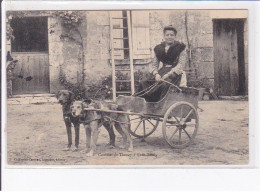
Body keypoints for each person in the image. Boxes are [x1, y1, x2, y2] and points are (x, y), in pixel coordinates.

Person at [137, 25, 187, 102]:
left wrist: (169, 74)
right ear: (164, 36)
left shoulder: (180, 48)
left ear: (175, 36)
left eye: (172, 35)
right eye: (167, 35)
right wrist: (156, 74)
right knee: (144, 83)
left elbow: (181, 64)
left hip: (174, 74)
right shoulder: (159, 48)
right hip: (162, 71)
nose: (169, 37)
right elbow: (154, 64)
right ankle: (145, 103)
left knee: (164, 85)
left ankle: (158, 105)